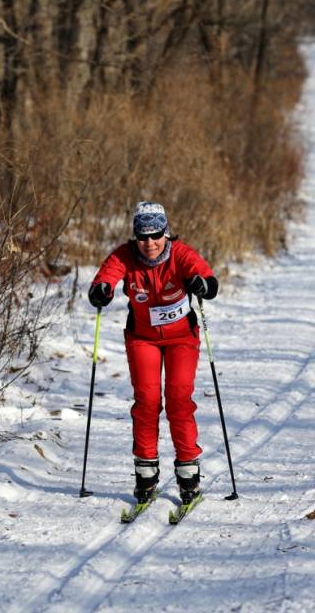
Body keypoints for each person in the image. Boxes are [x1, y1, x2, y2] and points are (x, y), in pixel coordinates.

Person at [88, 202, 219, 506]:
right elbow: (105, 276)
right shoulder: (125, 255)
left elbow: (209, 281)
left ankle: (188, 473)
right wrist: (101, 290)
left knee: (178, 400)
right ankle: (145, 474)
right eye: (143, 237)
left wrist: (203, 284)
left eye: (156, 235)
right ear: (135, 237)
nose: (149, 243)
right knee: (146, 402)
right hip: (142, 339)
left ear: (165, 233)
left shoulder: (180, 253)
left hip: (182, 339)